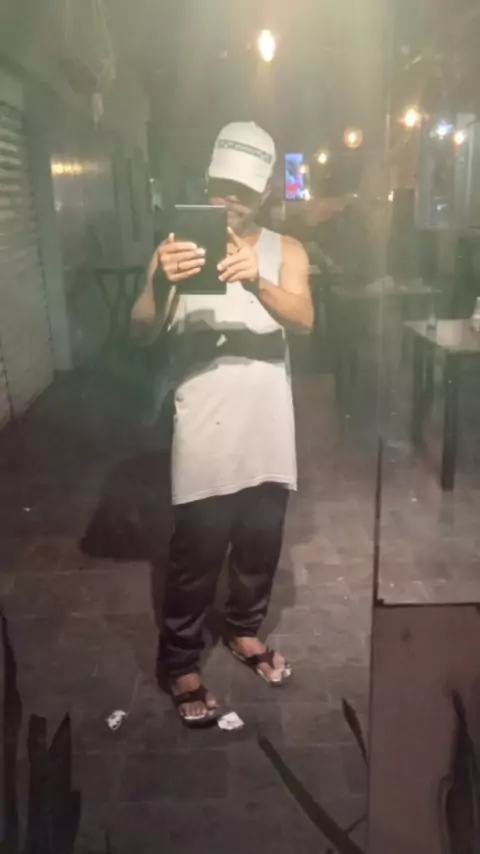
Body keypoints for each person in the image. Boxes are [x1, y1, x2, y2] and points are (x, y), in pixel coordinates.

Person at [132, 122, 313, 727]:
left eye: (244, 188)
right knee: (196, 552)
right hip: (204, 422)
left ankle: (242, 628)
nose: (230, 198)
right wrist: (161, 280)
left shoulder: (287, 250)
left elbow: (305, 319)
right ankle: (180, 660)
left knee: (260, 543)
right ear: (206, 180)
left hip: (268, 423)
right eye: (221, 184)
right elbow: (141, 330)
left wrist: (256, 279)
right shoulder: (176, 247)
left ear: (265, 192)